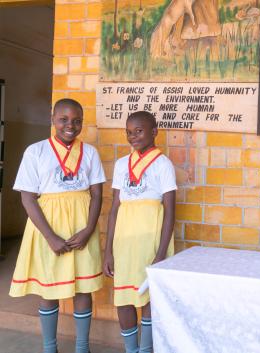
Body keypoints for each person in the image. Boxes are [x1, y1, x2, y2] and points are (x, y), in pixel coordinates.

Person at [10, 98, 106, 353]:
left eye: (76, 121)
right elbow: (27, 197)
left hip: (81, 226)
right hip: (47, 227)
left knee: (83, 288)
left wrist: (87, 230)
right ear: (52, 119)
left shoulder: (90, 153)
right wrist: (51, 236)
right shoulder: (36, 151)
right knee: (49, 287)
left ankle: (82, 347)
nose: (70, 125)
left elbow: (97, 194)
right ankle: (49, 347)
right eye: (63, 119)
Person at [103, 111, 176, 353]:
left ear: (154, 132)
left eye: (139, 131)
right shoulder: (122, 164)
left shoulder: (164, 164)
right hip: (124, 242)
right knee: (124, 297)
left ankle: (145, 349)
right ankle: (130, 349)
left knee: (148, 298)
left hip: (151, 240)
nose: (133, 136)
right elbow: (115, 208)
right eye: (129, 132)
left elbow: (169, 211)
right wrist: (108, 251)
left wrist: (161, 253)